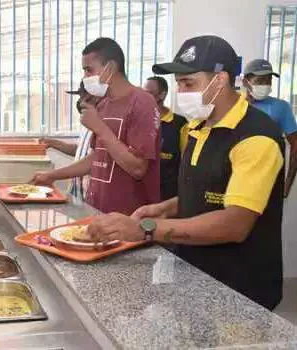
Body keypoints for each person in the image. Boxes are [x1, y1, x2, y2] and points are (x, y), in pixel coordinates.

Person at [87, 36, 284, 310]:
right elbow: (208, 194)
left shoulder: (256, 138)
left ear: (220, 80)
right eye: (178, 83)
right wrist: (164, 209)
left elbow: (235, 223)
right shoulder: (198, 128)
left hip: (240, 289)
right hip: (196, 275)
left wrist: (146, 229)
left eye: (189, 83)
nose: (181, 92)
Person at [32, 37, 161, 215]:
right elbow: (96, 159)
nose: (85, 77)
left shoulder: (142, 102)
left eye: (89, 70)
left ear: (110, 68)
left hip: (128, 219)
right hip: (96, 212)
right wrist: (52, 176)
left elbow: (138, 168)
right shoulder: (103, 105)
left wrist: (99, 127)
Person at [243, 58, 297, 197]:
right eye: (260, 81)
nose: (266, 85)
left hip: (270, 181)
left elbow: (295, 145)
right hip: (238, 178)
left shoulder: (281, 107)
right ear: (245, 82)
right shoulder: (235, 106)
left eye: (269, 80)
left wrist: (288, 182)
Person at [39, 81, 96, 199]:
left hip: (90, 191)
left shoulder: (101, 124)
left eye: (85, 97)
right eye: (80, 97)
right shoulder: (87, 123)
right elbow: (80, 150)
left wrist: (52, 175)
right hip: (78, 191)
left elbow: (92, 160)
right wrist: (52, 143)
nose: (81, 102)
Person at [144, 76, 188, 200]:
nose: (145, 97)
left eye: (149, 93)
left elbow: (186, 162)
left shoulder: (180, 124)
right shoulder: (139, 121)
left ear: (162, 95)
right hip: (141, 192)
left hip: (168, 195)